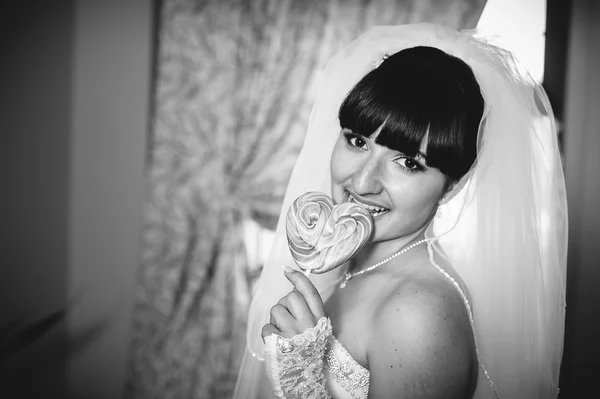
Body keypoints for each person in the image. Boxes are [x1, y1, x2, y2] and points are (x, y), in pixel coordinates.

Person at [234, 23, 567, 399]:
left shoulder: (419, 315)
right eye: (358, 141)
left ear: (452, 185)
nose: (362, 183)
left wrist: (303, 379)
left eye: (408, 162)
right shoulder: (343, 264)